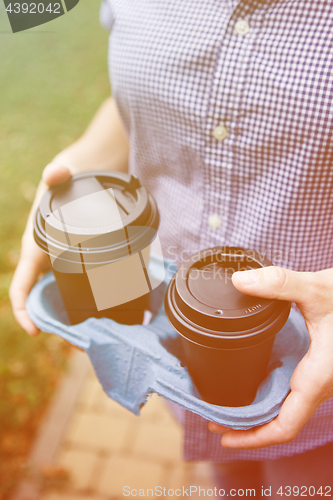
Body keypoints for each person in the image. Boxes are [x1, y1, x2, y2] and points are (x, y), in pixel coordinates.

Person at [10, 0, 333, 494]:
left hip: (318, 388)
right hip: (191, 360)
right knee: (229, 480)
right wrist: (80, 168)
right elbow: (130, 104)